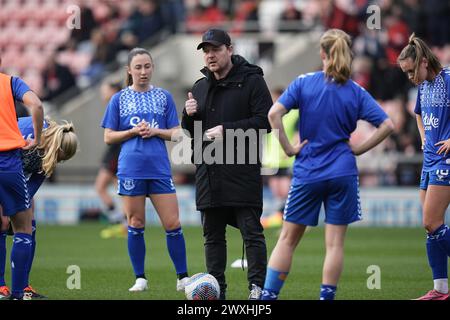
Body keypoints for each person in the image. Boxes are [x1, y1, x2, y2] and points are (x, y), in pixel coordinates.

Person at [260, 29, 394, 300]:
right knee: (334, 245)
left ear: (322, 53)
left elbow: (274, 113)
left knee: (287, 239)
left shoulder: (303, 83)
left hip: (308, 171)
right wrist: (358, 148)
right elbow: (387, 125)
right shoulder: (356, 90)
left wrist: (288, 148)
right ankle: (326, 297)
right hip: (342, 171)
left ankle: (268, 298)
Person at [181, 28, 273, 300]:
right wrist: (188, 118)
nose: (210, 55)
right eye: (206, 50)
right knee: (212, 236)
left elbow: (265, 122)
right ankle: (217, 291)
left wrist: (228, 130)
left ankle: (257, 289)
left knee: (252, 233)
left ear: (229, 50)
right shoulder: (200, 86)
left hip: (242, 169)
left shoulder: (253, 81)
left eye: (216, 49)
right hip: (209, 171)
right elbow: (192, 132)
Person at [101, 47, 189, 293]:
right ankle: (140, 278)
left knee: (173, 223)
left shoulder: (164, 96)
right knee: (136, 222)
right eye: (138, 67)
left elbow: (177, 132)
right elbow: (108, 137)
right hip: (130, 169)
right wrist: (131, 132)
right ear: (129, 70)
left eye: (147, 66)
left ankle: (182, 277)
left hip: (159, 169)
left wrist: (156, 131)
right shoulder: (118, 99)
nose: (143, 71)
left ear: (153, 68)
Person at [0, 116, 78, 299]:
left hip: (17, 178)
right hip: (3, 167)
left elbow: (31, 187)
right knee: (1, 223)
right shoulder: (29, 132)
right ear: (58, 147)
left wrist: (19, 208)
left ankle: (23, 286)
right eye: (61, 157)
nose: (58, 161)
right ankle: (1, 286)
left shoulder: (50, 153)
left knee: (29, 223)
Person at [398, 34, 450, 300]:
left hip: (446, 159)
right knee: (430, 227)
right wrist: (422, 137)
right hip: (430, 158)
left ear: (423, 63)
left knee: (432, 221)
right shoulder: (423, 86)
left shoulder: (448, 78)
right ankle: (441, 290)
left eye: (410, 71)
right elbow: (418, 113)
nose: (410, 78)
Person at [0, 56, 44, 300]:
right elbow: (36, 105)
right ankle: (18, 293)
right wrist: (37, 139)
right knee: (24, 229)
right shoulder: (10, 82)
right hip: (8, 162)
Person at [262, 88, 298, 229]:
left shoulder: (293, 114)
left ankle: (288, 220)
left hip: (287, 158)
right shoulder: (268, 115)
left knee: (286, 192)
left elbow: (298, 133)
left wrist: (291, 147)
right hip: (272, 160)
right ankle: (283, 220)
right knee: (277, 193)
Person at [96, 81, 126, 239]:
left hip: (117, 151)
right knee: (119, 188)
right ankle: (123, 224)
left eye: (105, 90)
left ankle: (120, 223)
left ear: (114, 91)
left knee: (102, 186)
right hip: (114, 151)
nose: (102, 94)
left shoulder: (119, 105)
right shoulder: (114, 106)